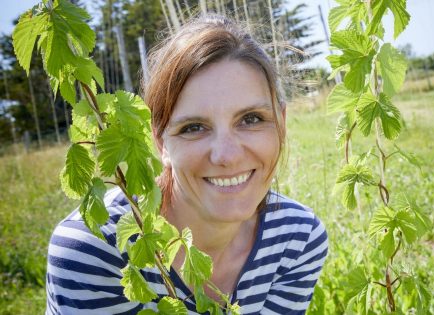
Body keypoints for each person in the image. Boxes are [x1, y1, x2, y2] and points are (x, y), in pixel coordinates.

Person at [46, 14, 328, 315]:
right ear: (161, 142)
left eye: (251, 119)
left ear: (281, 124)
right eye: (194, 127)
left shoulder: (297, 239)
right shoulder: (95, 250)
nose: (227, 156)